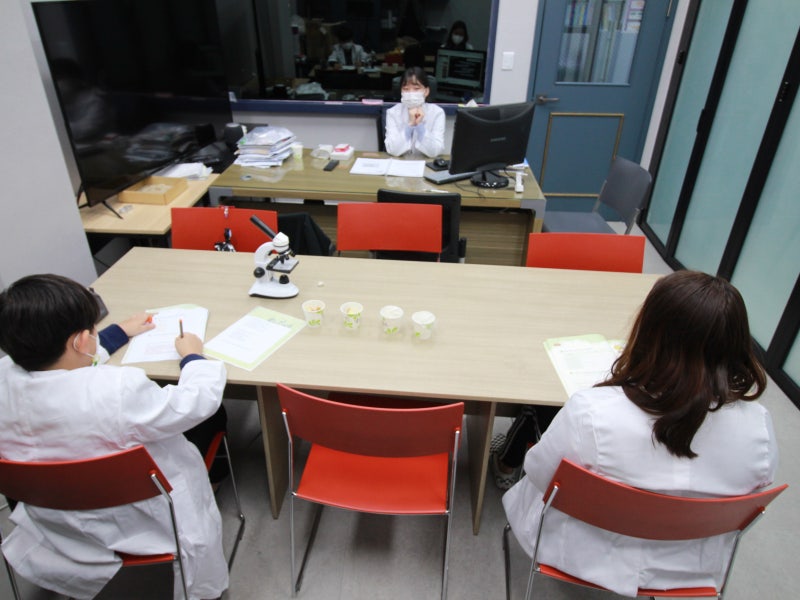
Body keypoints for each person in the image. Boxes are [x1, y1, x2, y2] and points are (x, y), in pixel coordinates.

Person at [502, 270, 779, 598]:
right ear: (737, 346)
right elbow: (753, 490)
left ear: (649, 333)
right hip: (691, 564)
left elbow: (538, 472)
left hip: (583, 553)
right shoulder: (758, 427)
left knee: (538, 431)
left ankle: (501, 459)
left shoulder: (592, 412)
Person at [0, 274, 229, 600]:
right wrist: (193, 356)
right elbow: (195, 403)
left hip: (55, 523)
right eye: (93, 331)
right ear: (81, 341)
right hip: (137, 522)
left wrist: (118, 332)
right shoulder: (117, 392)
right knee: (214, 419)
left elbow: (64, 371)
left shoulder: (6, 377)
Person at [385, 66, 445, 158]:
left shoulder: (437, 113)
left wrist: (419, 125)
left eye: (416, 89)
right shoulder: (392, 112)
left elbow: (435, 151)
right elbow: (392, 150)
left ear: (426, 91)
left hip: (426, 163)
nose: (410, 93)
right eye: (406, 89)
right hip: (400, 162)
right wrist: (410, 124)